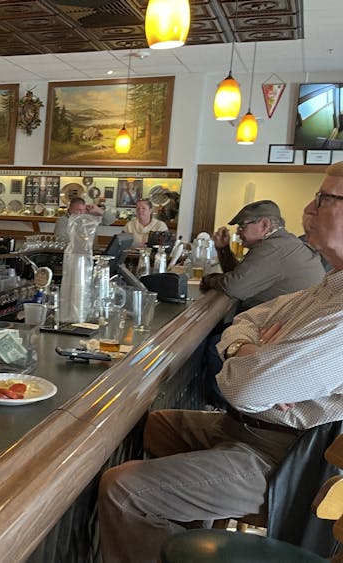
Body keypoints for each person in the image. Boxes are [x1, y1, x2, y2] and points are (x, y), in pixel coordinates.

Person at [97, 163, 343, 563]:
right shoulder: (331, 282)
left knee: (125, 489)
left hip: (289, 458)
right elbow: (248, 320)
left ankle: (162, 527)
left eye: (324, 198)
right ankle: (182, 542)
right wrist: (249, 351)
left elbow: (249, 389)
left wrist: (260, 363)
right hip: (250, 427)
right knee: (157, 425)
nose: (309, 210)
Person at [200, 200, 324, 311]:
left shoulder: (273, 248)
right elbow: (242, 277)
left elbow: (234, 287)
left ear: (265, 225)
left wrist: (208, 279)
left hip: (281, 329)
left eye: (242, 226)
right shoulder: (284, 243)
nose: (238, 233)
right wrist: (223, 249)